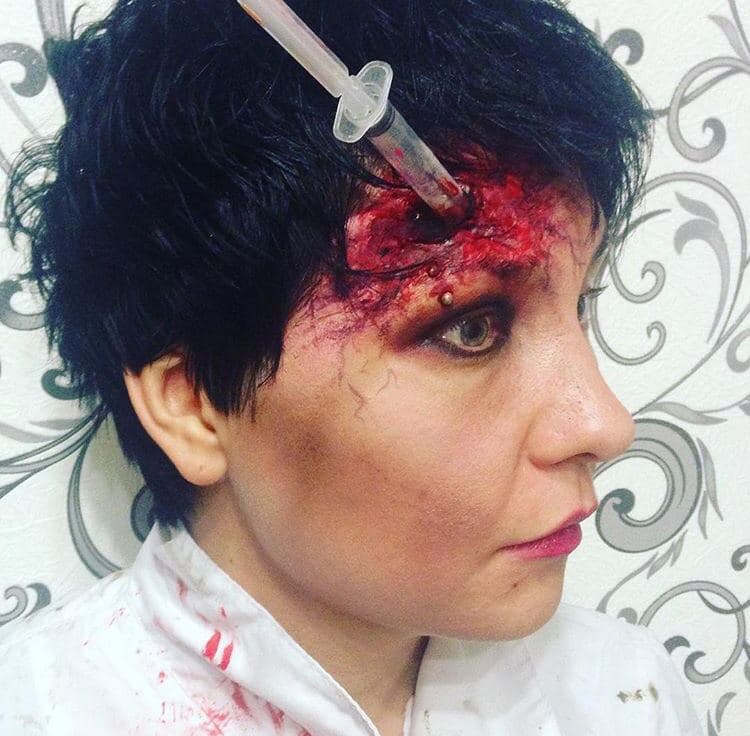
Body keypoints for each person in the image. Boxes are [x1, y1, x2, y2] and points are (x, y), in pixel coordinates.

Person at [0, 0, 703, 734]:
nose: (604, 425)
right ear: (194, 402)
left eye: (580, 304)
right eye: (470, 328)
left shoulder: (627, 694)